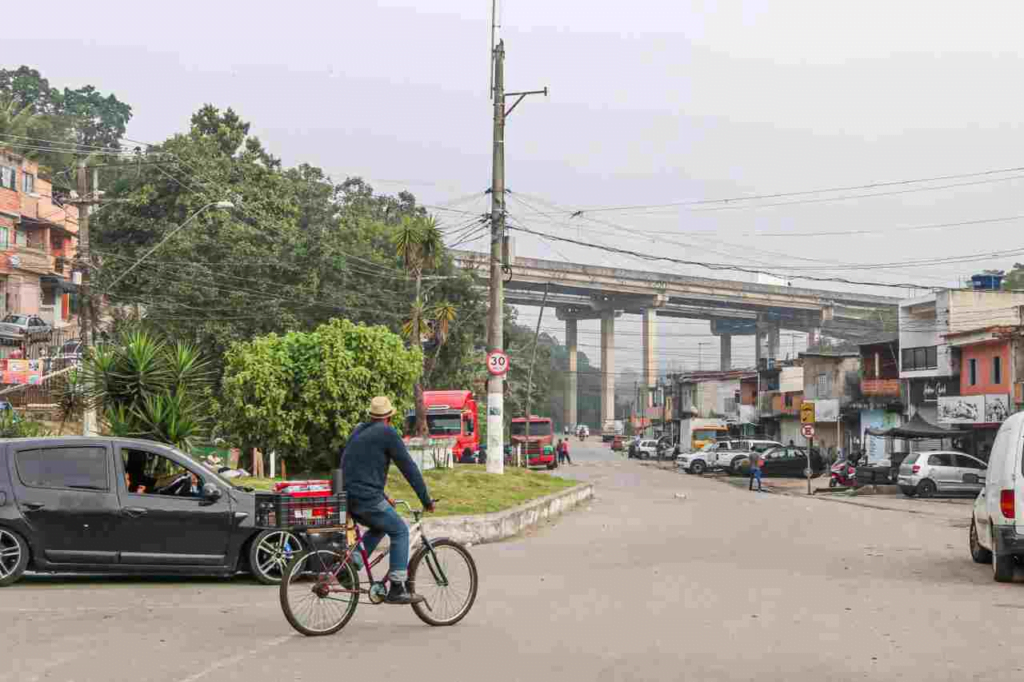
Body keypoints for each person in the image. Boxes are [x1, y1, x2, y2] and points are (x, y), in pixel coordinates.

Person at [340, 396, 434, 605]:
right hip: (366, 497)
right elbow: (409, 468)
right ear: (389, 417)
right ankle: (397, 588)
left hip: (348, 496)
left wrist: (383, 495)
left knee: (380, 525)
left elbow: (358, 468)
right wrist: (426, 500)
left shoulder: (358, 430)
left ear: (371, 416)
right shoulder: (388, 433)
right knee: (400, 530)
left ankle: (351, 565)